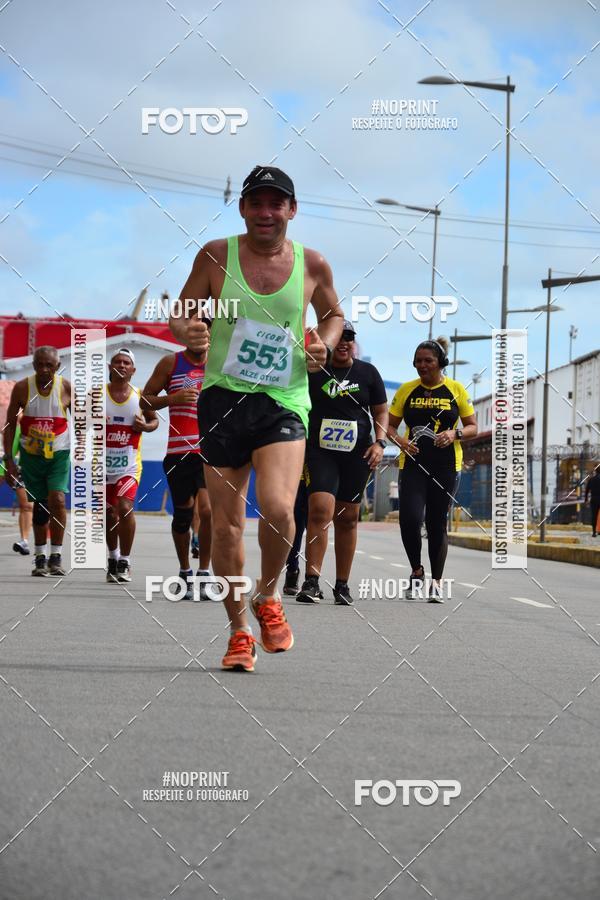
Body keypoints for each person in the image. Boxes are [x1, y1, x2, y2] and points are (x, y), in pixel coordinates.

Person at [170, 164, 343, 672]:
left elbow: (333, 315)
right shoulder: (216, 256)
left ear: (291, 209)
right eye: (256, 203)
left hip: (283, 400)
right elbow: (182, 311)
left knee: (278, 508)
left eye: (276, 203)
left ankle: (268, 598)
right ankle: (239, 631)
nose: (266, 213)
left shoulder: (312, 264)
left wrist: (323, 345)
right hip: (223, 398)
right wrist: (191, 331)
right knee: (224, 530)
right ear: (243, 208)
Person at [296, 321, 388, 605]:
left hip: (357, 454)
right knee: (320, 510)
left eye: (350, 338)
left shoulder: (367, 373)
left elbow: (381, 412)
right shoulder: (313, 371)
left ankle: (342, 585)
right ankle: (311, 581)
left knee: (347, 518)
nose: (345, 342)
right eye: (340, 338)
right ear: (329, 343)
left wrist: (380, 443)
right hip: (320, 452)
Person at [388, 337, 477, 602]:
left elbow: (473, 427)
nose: (422, 366)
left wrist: (453, 433)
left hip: (446, 466)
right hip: (414, 465)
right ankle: (417, 570)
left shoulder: (456, 389)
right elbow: (388, 426)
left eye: (428, 361)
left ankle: (436, 583)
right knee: (410, 520)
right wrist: (401, 442)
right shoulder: (406, 390)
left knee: (436, 523)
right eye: (418, 361)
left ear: (441, 363)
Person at [142, 334, 212, 600]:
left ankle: (204, 573)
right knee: (183, 516)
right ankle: (185, 571)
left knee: (208, 511)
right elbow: (145, 401)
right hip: (178, 452)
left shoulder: (221, 363)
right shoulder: (170, 363)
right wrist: (174, 398)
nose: (200, 335)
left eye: (206, 330)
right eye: (194, 330)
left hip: (209, 451)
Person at [3, 346, 71, 576]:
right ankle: (40, 556)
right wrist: (9, 460)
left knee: (58, 500)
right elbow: (9, 426)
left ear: (57, 367)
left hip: (59, 454)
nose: (44, 369)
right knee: (41, 508)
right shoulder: (23, 388)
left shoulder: (67, 388)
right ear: (33, 365)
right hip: (32, 456)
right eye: (39, 364)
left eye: (49, 365)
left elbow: (84, 423)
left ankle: (57, 555)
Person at [105, 349, 158, 583]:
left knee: (125, 508)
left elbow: (154, 420)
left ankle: (125, 560)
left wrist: (145, 427)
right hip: (102, 466)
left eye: (127, 362)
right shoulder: (96, 395)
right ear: (110, 367)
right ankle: (113, 557)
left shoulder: (140, 395)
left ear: (133, 370)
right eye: (117, 361)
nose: (122, 365)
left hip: (129, 465)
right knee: (108, 515)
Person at [1, 423, 34, 555]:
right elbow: (11, 452)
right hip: (23, 470)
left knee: (42, 507)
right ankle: (24, 540)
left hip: (46, 470)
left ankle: (44, 546)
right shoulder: (19, 429)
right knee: (26, 506)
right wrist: (3, 471)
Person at [282, 470, 309, 596]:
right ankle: (292, 571)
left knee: (316, 526)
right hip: (297, 473)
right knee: (296, 526)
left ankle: (312, 581)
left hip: (320, 468)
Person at [584, 468, 600, 537]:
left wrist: (586, 500)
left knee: (594, 516)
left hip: (594, 499)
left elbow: (587, 490)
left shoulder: (591, 480)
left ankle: (594, 532)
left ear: (595, 472)